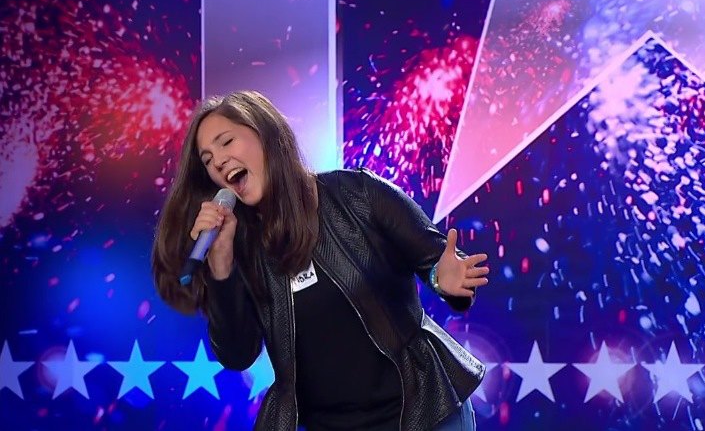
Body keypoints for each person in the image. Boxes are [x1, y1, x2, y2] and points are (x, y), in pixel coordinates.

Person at [152, 91, 490, 431]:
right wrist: (221, 266)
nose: (219, 162)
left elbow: (440, 264)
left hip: (425, 413)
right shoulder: (242, 249)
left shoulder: (358, 193)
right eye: (207, 160)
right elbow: (237, 354)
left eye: (227, 142)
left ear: (266, 134)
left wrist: (441, 278)